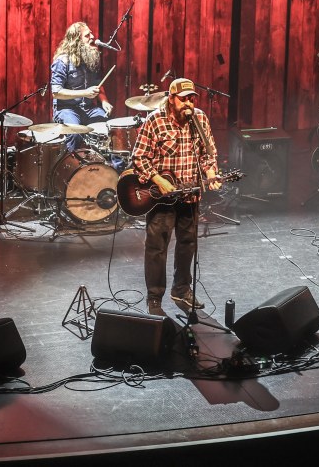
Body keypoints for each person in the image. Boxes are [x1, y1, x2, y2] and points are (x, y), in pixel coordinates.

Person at [130, 78, 221, 316]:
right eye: (183, 99)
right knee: (157, 247)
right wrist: (158, 180)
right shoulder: (155, 121)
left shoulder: (199, 119)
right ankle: (154, 298)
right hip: (162, 198)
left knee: (188, 243)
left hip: (190, 195)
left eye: (192, 98)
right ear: (171, 99)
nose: (188, 104)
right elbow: (139, 158)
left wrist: (211, 173)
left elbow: (208, 154)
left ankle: (181, 289)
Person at [50, 21, 113, 151]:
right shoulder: (62, 61)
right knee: (75, 133)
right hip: (67, 109)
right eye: (87, 35)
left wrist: (104, 101)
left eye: (91, 33)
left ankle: (112, 168)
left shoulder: (91, 58)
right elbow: (56, 92)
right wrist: (84, 93)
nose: (93, 37)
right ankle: (71, 168)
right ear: (75, 40)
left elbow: (97, 84)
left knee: (108, 130)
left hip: (89, 108)